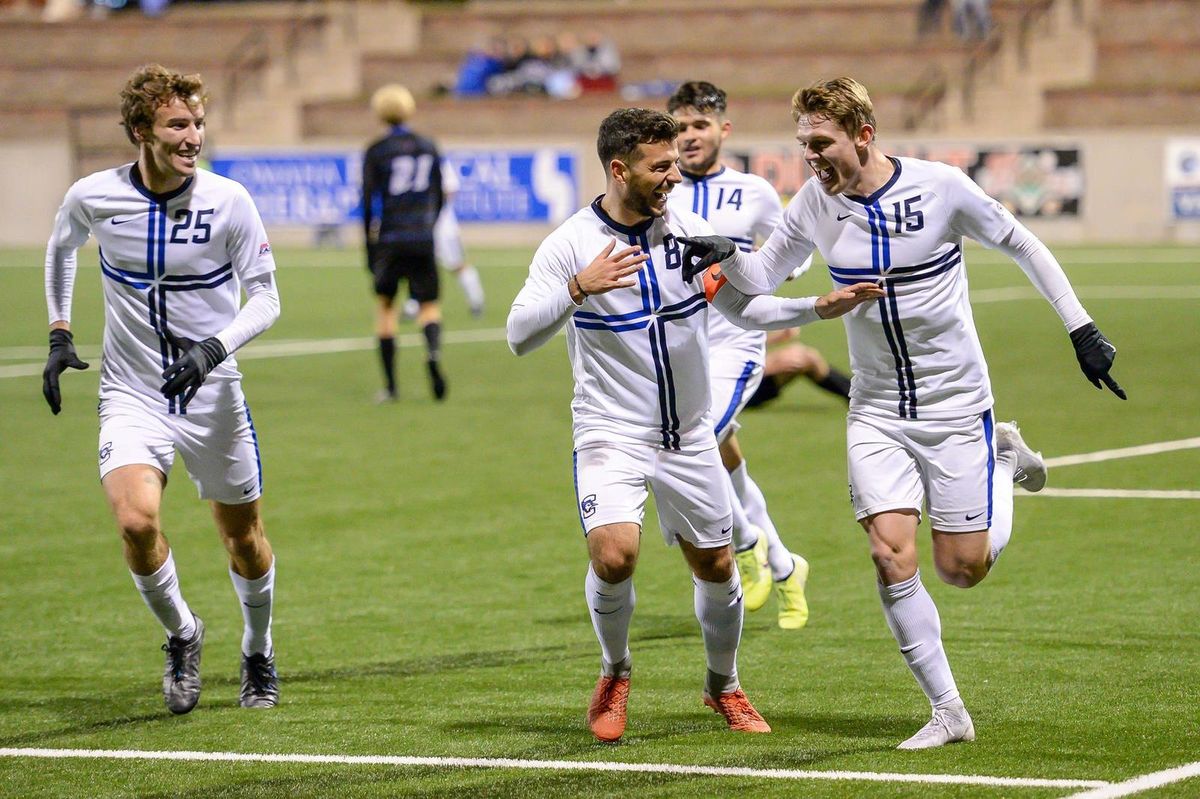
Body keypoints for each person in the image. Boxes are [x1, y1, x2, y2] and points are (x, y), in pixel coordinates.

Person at [678, 77, 1126, 749]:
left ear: (863, 135)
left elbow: (1023, 245)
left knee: (961, 568)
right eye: (803, 145)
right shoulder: (813, 204)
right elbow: (755, 288)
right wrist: (728, 261)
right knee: (889, 554)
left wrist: (1081, 327)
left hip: (955, 403)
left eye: (822, 143)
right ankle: (949, 711)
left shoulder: (940, 188)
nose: (811, 158)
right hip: (876, 406)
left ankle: (1002, 464)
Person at [506, 107, 882, 742]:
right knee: (615, 555)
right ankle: (615, 671)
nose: (674, 177)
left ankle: (722, 685)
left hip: (688, 435)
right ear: (619, 170)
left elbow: (741, 307)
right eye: (660, 167)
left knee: (717, 566)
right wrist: (577, 288)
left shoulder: (687, 230)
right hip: (611, 430)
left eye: (676, 164)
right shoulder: (570, 244)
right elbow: (518, 335)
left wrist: (817, 307)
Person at [41, 63, 282, 714]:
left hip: (213, 392)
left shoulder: (230, 200)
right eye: (178, 124)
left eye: (198, 122)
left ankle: (258, 648)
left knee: (244, 539)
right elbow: (61, 247)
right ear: (140, 131)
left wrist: (213, 349)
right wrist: (60, 331)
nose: (193, 136)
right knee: (135, 520)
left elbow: (267, 299)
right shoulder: (94, 195)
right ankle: (182, 632)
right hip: (133, 391)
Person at [666, 80, 811, 629]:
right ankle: (786, 565)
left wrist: (763, 267)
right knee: (723, 458)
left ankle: (746, 544)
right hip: (679, 346)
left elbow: (794, 254)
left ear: (723, 129)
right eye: (680, 127)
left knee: (691, 442)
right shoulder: (662, 189)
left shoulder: (754, 192)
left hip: (735, 341)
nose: (689, 136)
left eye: (700, 125)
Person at [362, 84, 447, 402]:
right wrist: (428, 226)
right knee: (429, 305)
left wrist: (370, 249)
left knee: (386, 307)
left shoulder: (376, 151)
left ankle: (391, 386)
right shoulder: (428, 146)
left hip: (391, 237)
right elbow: (439, 195)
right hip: (422, 235)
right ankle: (433, 353)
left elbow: (368, 203)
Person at [404, 158, 485, 320]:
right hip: (420, 226)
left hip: (443, 227)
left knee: (457, 264)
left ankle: (476, 299)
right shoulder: (407, 163)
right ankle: (414, 304)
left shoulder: (436, 161)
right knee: (417, 265)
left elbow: (450, 189)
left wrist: (429, 204)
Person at [743, 327, 853, 409]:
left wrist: (772, 339)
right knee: (799, 359)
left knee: (806, 356)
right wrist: (767, 365)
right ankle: (857, 395)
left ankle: (856, 395)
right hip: (739, 390)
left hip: (748, 378)